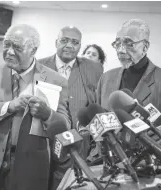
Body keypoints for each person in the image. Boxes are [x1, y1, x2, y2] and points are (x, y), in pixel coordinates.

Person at [0, 24, 71, 190]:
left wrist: (48, 115)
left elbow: (65, 128)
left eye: (16, 47)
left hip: (32, 167)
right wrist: (8, 106)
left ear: (33, 50)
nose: (9, 51)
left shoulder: (55, 80)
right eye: (6, 44)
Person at [38, 26, 103, 190]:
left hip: (77, 142)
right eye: (64, 40)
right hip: (43, 138)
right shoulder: (39, 65)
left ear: (80, 46)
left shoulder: (93, 68)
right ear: (56, 42)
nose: (69, 45)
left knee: (72, 184)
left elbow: (96, 103)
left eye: (74, 42)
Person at [96, 18, 161, 127]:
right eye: (117, 44)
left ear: (145, 47)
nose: (121, 50)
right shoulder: (106, 78)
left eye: (129, 43)